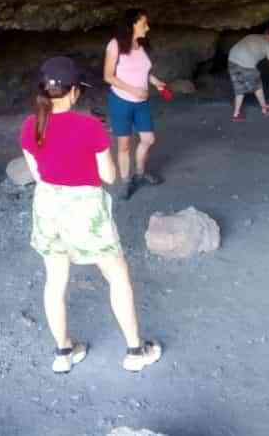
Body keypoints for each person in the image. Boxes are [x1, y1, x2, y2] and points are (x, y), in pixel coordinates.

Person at [21, 56, 162, 374]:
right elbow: (109, 176)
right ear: (73, 92)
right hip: (84, 208)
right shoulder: (89, 126)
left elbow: (38, 174)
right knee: (117, 275)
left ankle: (63, 352)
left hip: (47, 207)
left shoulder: (31, 125)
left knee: (55, 280)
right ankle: (135, 350)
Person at [103, 9, 167, 200]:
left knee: (148, 139)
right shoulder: (115, 45)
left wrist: (155, 81)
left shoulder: (142, 44)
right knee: (124, 146)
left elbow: (143, 71)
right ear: (133, 25)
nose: (147, 27)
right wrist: (133, 90)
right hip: (121, 102)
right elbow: (108, 76)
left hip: (142, 102)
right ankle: (125, 182)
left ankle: (139, 174)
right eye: (143, 24)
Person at [228, 26, 269, 121]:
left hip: (232, 59)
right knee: (257, 86)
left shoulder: (253, 36)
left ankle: (236, 114)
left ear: (265, 32)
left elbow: (263, 51)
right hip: (246, 63)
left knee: (239, 88)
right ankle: (265, 108)